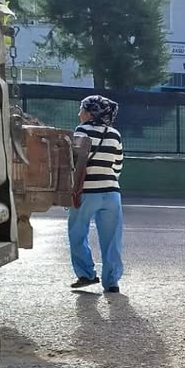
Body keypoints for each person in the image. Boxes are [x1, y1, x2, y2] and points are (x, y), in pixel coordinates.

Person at [67, 95, 125, 294]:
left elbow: (74, 163)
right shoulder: (115, 134)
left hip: (86, 193)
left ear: (92, 112)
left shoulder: (82, 131)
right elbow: (118, 166)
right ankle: (112, 282)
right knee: (112, 240)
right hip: (112, 194)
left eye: (82, 109)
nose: (78, 113)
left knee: (77, 233)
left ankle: (86, 274)